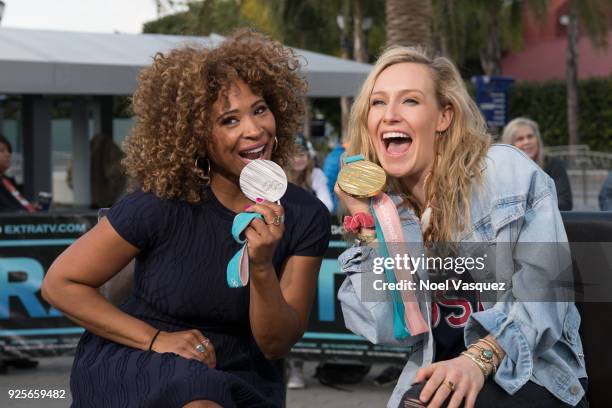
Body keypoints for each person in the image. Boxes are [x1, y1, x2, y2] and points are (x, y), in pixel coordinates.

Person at [41, 29, 330, 407]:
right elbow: (60, 284)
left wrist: (261, 266)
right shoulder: (160, 204)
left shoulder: (307, 216)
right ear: (195, 136)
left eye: (260, 109)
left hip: (240, 371)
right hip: (139, 357)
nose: (254, 130)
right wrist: (156, 340)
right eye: (229, 120)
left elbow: (275, 345)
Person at [335, 46, 587, 408]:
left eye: (409, 101)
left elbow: (545, 292)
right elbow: (385, 329)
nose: (389, 115)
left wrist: (478, 358)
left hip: (532, 375)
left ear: (444, 117)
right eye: (378, 102)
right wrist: (372, 229)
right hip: (437, 381)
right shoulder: (388, 211)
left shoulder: (503, 172)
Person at [284, 134, 332, 389]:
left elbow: (326, 206)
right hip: (283, 255)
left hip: (310, 252)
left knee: (306, 313)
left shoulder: (317, 176)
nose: (299, 158)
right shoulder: (277, 179)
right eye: (295, 152)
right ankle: (294, 368)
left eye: (303, 153)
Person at [0, 133, 39, 374]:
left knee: (14, 306)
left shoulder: (8, 182)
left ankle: (15, 352)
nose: (6, 156)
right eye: (1, 150)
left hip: (13, 257)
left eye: (8, 151)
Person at [502, 117, 573, 211]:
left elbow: (565, 203)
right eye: (520, 139)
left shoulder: (554, 165)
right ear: (510, 145)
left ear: (537, 139)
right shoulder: (502, 172)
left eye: (530, 136)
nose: (526, 142)